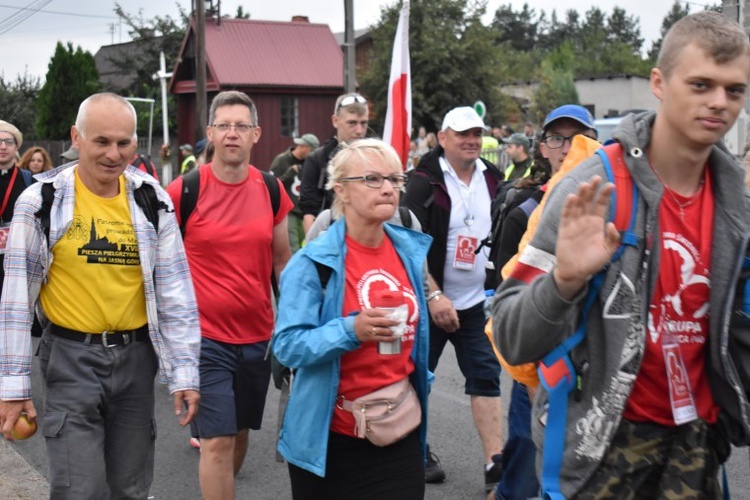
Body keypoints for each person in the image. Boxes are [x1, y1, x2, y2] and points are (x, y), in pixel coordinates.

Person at [494, 11, 750, 498]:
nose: (718, 102)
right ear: (658, 82)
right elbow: (510, 335)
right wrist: (563, 281)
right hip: (600, 454)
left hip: (698, 444)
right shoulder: (591, 188)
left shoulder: (737, 204)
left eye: (733, 90)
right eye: (700, 84)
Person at [0, 93, 201, 498]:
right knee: (80, 489)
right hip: (69, 359)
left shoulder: (151, 199)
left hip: (135, 357)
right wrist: (13, 387)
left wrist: (184, 373)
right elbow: (16, 301)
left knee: (130, 487)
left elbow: (175, 291)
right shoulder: (42, 202)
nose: (114, 154)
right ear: (77, 137)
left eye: (124, 143)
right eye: (102, 141)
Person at [273, 138, 431, 500]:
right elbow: (287, 346)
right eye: (373, 179)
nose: (389, 188)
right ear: (341, 189)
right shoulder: (313, 262)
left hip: (399, 430)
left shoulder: (408, 249)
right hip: (333, 441)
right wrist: (351, 330)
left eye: (395, 179)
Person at [166, 90, 293, 500]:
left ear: (256, 135)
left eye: (241, 126)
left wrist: (293, 323)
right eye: (224, 126)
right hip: (203, 339)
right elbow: (159, 266)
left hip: (257, 338)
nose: (233, 134)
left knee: (239, 435)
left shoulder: (272, 190)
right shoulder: (184, 190)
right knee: (217, 441)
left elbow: (281, 264)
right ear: (210, 134)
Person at [489, 107, 598, 500]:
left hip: (592, 365)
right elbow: (504, 292)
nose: (567, 147)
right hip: (538, 362)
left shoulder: (612, 203)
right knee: (526, 459)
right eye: (557, 138)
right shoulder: (526, 206)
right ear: (543, 147)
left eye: (576, 137)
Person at [403, 106, 504, 491]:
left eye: (476, 133)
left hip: (477, 302)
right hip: (429, 303)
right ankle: (415, 451)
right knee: (415, 381)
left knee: (486, 377)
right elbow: (411, 245)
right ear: (442, 138)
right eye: (462, 134)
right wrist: (433, 294)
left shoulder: (493, 178)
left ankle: (495, 463)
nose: (471, 141)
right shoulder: (423, 183)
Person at [299, 92, 369, 233]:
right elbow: (309, 212)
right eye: (352, 123)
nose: (359, 130)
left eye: (364, 123)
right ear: (335, 121)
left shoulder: (376, 159)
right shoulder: (318, 160)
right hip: (329, 237)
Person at [271, 133, 320, 253]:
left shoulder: (310, 162)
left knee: (307, 244)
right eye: (311, 150)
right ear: (303, 146)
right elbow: (273, 185)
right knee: (291, 246)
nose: (313, 153)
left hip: (304, 211)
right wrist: (290, 173)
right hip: (288, 210)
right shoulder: (282, 160)